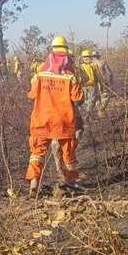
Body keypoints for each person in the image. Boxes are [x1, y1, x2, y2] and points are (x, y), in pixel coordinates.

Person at [25, 36, 85, 195]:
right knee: (68, 154)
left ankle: (33, 185)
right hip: (63, 121)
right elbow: (78, 99)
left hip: (41, 120)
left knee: (37, 153)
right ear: (66, 55)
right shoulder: (71, 76)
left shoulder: (39, 74)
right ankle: (70, 184)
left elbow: (31, 95)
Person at [79, 50, 98, 120]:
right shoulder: (81, 67)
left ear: (90, 57)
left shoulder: (93, 66)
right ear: (83, 58)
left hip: (91, 85)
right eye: (85, 57)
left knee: (90, 101)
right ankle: (87, 116)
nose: (86, 58)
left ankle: (89, 116)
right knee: (89, 101)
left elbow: (97, 76)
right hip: (86, 86)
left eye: (88, 57)